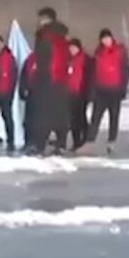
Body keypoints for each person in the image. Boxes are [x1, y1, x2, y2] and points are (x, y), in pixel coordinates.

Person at [29, 8, 72, 155]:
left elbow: (44, 59)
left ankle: (40, 144)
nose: (39, 22)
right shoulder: (62, 36)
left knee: (43, 113)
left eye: (41, 19)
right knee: (59, 113)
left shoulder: (46, 36)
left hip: (48, 79)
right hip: (60, 79)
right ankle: (61, 143)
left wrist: (39, 76)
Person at [87, 30, 129, 151]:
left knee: (114, 117)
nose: (106, 41)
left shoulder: (119, 51)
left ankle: (112, 141)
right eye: (103, 39)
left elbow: (124, 71)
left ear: (112, 39)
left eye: (108, 38)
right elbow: (93, 72)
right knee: (96, 117)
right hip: (101, 90)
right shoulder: (98, 53)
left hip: (115, 90)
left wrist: (123, 88)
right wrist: (92, 90)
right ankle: (90, 140)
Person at [0, 35, 18, 153]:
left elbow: (14, 75)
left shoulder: (9, 57)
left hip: (5, 92)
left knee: (7, 117)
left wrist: (10, 91)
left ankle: (11, 140)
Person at [66, 39, 92, 149]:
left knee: (81, 117)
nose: (72, 50)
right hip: (69, 93)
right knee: (72, 119)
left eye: (74, 47)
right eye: (70, 48)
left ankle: (85, 137)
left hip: (81, 92)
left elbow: (90, 77)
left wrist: (89, 92)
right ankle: (76, 141)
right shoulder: (66, 59)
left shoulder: (86, 59)